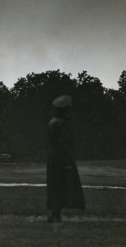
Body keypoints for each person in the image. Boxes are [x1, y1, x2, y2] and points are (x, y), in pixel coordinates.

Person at [46, 95, 85, 223]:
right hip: (61, 157)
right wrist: (68, 161)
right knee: (62, 185)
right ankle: (55, 214)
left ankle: (53, 212)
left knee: (54, 185)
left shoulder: (52, 122)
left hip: (52, 156)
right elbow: (65, 143)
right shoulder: (64, 123)